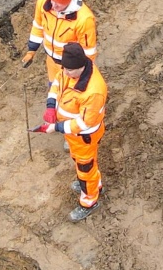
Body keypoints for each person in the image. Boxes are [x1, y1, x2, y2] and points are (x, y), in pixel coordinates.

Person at [32, 43, 108, 222]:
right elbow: (57, 83)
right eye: (64, 68)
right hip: (73, 136)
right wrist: (51, 106)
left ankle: (89, 202)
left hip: (84, 137)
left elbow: (83, 123)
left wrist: (56, 127)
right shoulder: (69, 70)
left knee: (85, 170)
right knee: (80, 162)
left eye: (68, 70)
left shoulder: (94, 91)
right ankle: (94, 186)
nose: (65, 73)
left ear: (80, 67)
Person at [22, 0, 97, 114]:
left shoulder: (84, 20)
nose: (54, 6)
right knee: (54, 86)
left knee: (69, 94)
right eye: (53, 0)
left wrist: (81, 74)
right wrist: (31, 50)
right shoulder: (44, 1)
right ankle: (55, 110)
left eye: (59, 4)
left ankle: (68, 117)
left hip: (70, 67)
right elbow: (38, 26)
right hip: (52, 61)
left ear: (68, 2)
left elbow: (89, 52)